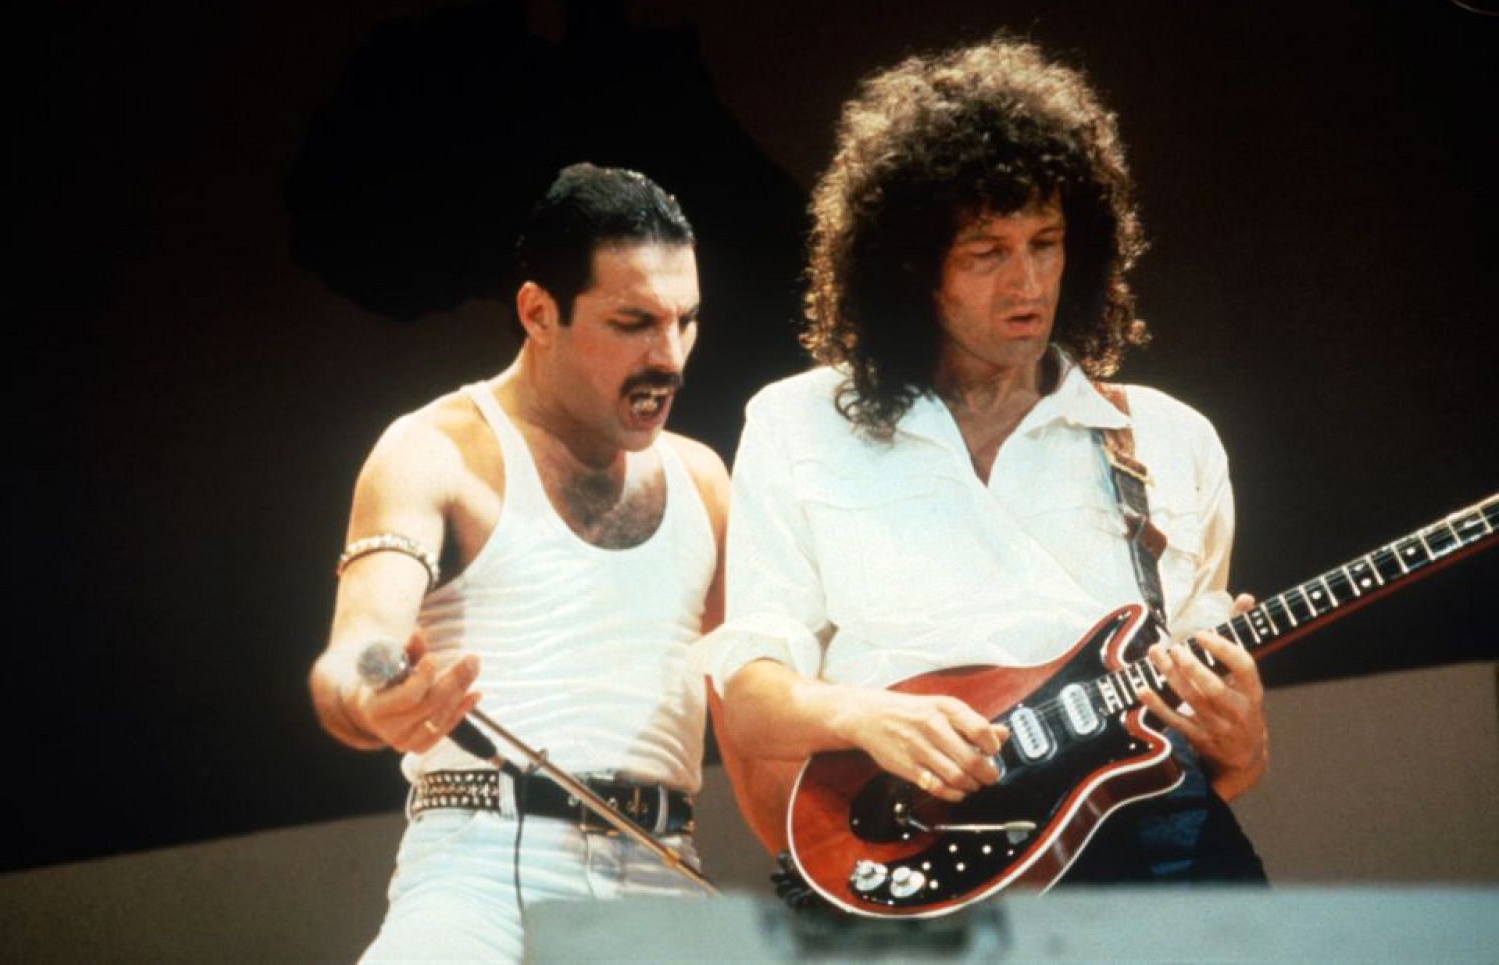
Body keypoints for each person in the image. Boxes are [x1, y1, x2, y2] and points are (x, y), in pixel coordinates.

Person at [705, 39, 1268, 899]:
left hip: (1157, 862)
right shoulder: (796, 422)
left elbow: (1199, 739)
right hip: (914, 863)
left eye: (1046, 242)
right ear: (908, 267)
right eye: (985, 252)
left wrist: (1242, 738)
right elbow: (748, 696)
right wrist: (871, 716)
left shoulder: (1170, 438)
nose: (1027, 282)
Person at [308, 163, 728, 960]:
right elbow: (356, 650)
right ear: (538, 311)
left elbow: (763, 704)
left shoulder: (704, 481)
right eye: (634, 321)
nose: (669, 356)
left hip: (666, 872)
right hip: (479, 873)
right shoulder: (434, 451)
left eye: (687, 320)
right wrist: (376, 689)